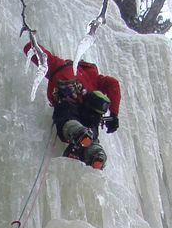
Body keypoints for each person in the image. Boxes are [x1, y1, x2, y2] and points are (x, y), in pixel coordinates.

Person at [23, 37, 121, 170]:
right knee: (92, 131)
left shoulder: (60, 65)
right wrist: (114, 114)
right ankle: (95, 153)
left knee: (65, 118)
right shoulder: (95, 78)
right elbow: (113, 84)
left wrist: (31, 40)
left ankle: (77, 132)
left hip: (69, 102)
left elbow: (32, 50)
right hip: (90, 113)